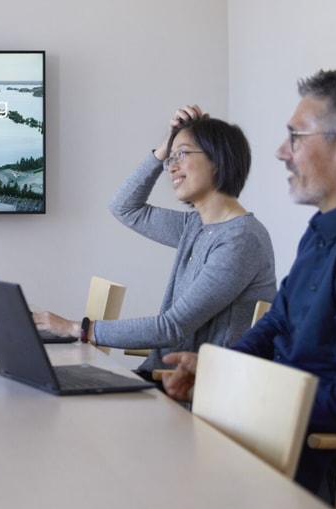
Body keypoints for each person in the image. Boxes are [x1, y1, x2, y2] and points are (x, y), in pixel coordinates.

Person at [161, 70, 336, 504]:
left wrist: (235, 390)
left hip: (316, 486)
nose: (281, 152)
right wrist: (218, 368)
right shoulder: (328, 228)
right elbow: (277, 323)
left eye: (296, 137)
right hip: (274, 449)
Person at [34, 107, 276, 376]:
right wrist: (166, 144)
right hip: (162, 377)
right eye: (170, 158)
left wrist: (74, 328)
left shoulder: (241, 240)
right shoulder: (195, 226)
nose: (171, 167)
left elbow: (171, 327)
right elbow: (124, 207)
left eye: (182, 155)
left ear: (218, 159)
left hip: (193, 395)